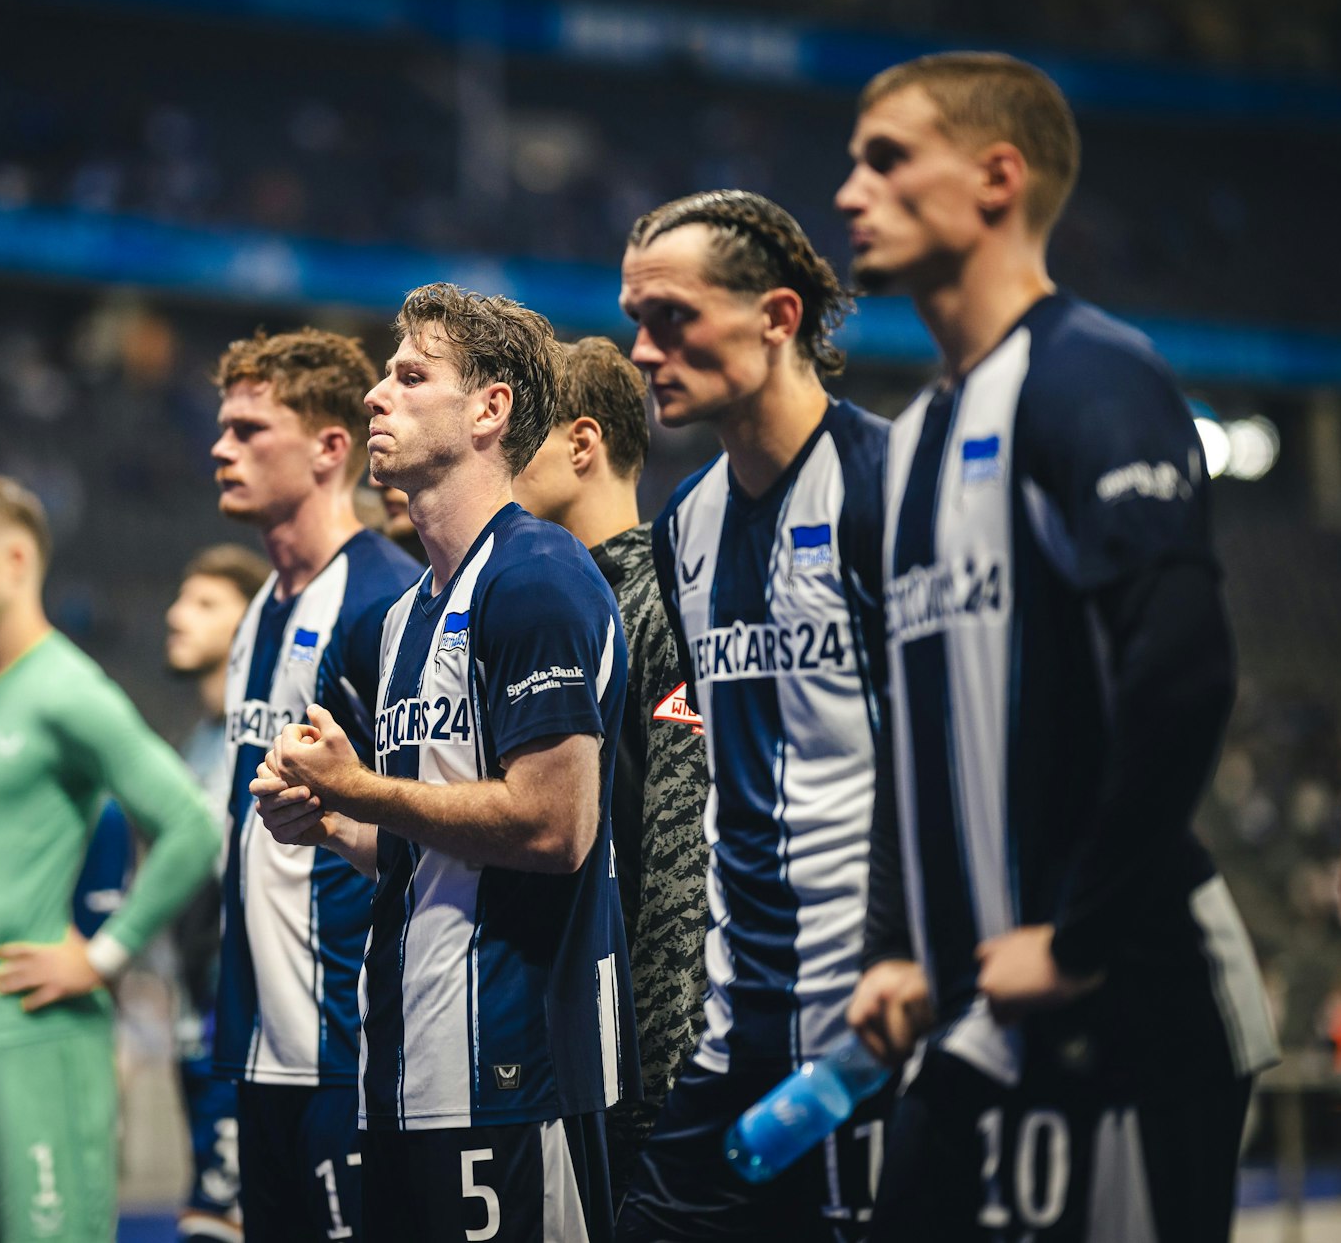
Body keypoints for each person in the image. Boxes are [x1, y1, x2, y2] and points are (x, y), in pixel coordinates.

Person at [836, 53, 1277, 1241]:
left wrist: (1077, 940)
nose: (847, 192)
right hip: (977, 1013)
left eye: (884, 158)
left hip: (1123, 1009)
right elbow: (913, 740)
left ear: (995, 178)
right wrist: (899, 945)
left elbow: (1180, 668)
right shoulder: (910, 446)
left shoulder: (1091, 377)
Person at [254, 283, 637, 1242]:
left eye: (411, 375)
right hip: (404, 1070)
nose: (378, 394)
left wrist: (361, 787)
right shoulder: (404, 617)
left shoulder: (539, 574)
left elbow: (555, 826)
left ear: (489, 409)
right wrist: (333, 821)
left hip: (515, 1070)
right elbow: (431, 846)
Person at [609, 191, 891, 1242]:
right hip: (733, 1038)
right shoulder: (686, 528)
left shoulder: (888, 488)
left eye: (671, 316)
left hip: (877, 1036)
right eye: (635, 318)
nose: (643, 349)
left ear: (776, 316)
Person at [0, 475, 221, 1242]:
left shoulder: (68, 689)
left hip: (36, 1040)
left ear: (14, 559)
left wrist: (101, 955)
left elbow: (189, 827)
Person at [207, 328, 421, 1242]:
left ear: (332, 448)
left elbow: (427, 825)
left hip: (351, 1049)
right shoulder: (260, 607)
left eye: (251, 429)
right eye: (223, 427)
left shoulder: (389, 601)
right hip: (262, 1049)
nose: (222, 447)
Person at [509, 336, 706, 1198]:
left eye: (522, 436)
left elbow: (677, 845)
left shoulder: (662, 594)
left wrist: (652, 1085)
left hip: (634, 1079)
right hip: (554, 1060)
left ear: (582, 446)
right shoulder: (533, 601)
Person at [71, 544, 272, 1242]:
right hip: (195, 1027)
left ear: (253, 623)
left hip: (255, 1034)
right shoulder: (194, 747)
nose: (177, 615)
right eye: (181, 599)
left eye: (206, 603)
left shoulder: (275, 735)